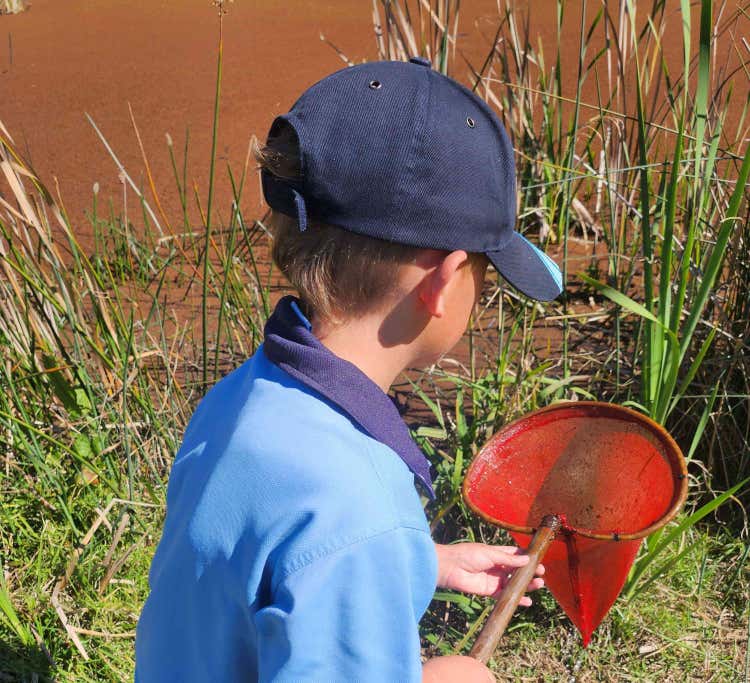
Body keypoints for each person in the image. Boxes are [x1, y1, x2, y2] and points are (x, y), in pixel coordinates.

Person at [135, 56, 562, 682]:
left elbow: (266, 551)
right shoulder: (358, 506)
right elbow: (336, 533)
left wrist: (418, 560)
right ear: (443, 284)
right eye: (485, 274)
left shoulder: (241, 398)